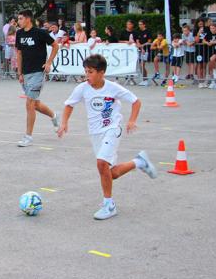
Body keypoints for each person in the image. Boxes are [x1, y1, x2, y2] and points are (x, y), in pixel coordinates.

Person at [56, 54, 155, 220]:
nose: (87, 75)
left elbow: (136, 101)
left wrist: (131, 120)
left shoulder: (113, 87)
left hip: (112, 128)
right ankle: (139, 162)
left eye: (91, 72)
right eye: (86, 72)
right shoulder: (82, 88)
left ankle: (109, 205)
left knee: (101, 163)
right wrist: (64, 123)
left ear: (101, 73)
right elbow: (69, 105)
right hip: (95, 133)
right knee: (110, 173)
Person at [15, 9, 60, 147]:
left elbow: (55, 45)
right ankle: (54, 116)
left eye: (21, 18)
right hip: (26, 72)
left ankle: (28, 136)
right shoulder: (19, 33)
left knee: (29, 103)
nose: (19, 21)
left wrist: (49, 62)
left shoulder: (40, 33)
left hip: (38, 72)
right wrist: (20, 72)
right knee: (36, 104)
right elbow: (19, 53)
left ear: (28, 19)